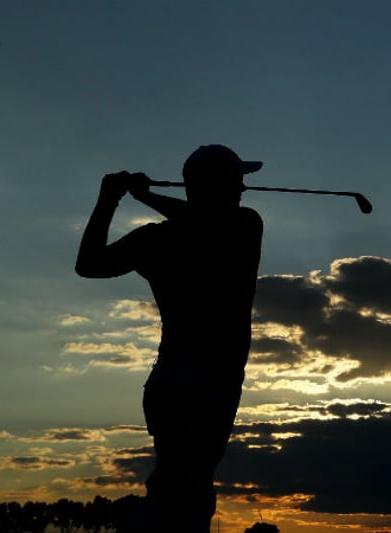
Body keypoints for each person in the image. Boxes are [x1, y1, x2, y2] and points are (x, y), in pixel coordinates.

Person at [75, 145, 264, 533]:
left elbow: (89, 263)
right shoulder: (245, 225)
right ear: (225, 186)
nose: (244, 188)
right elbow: (204, 221)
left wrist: (112, 199)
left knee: (181, 490)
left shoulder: (156, 239)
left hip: (170, 380)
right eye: (238, 180)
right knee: (184, 497)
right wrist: (141, 197)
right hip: (211, 381)